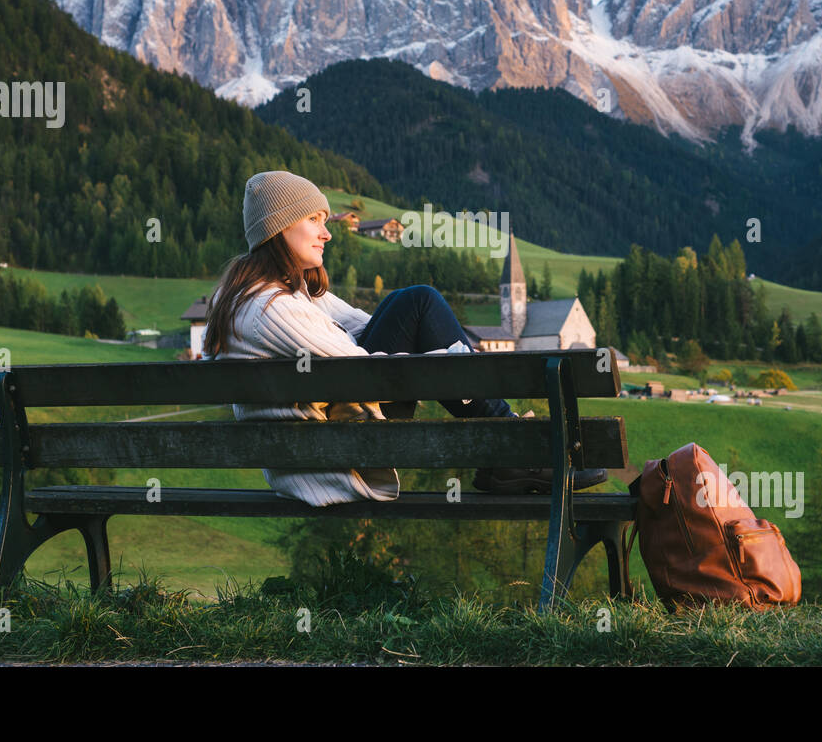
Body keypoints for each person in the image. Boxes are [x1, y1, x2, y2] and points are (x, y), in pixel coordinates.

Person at [201, 169, 607, 506]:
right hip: (334, 458)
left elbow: (366, 324)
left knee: (410, 304)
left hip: (322, 446)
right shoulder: (274, 308)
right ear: (279, 227)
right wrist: (453, 363)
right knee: (419, 301)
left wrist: (451, 353)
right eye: (314, 220)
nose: (327, 233)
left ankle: (512, 445)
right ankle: (515, 447)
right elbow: (364, 370)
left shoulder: (269, 295)